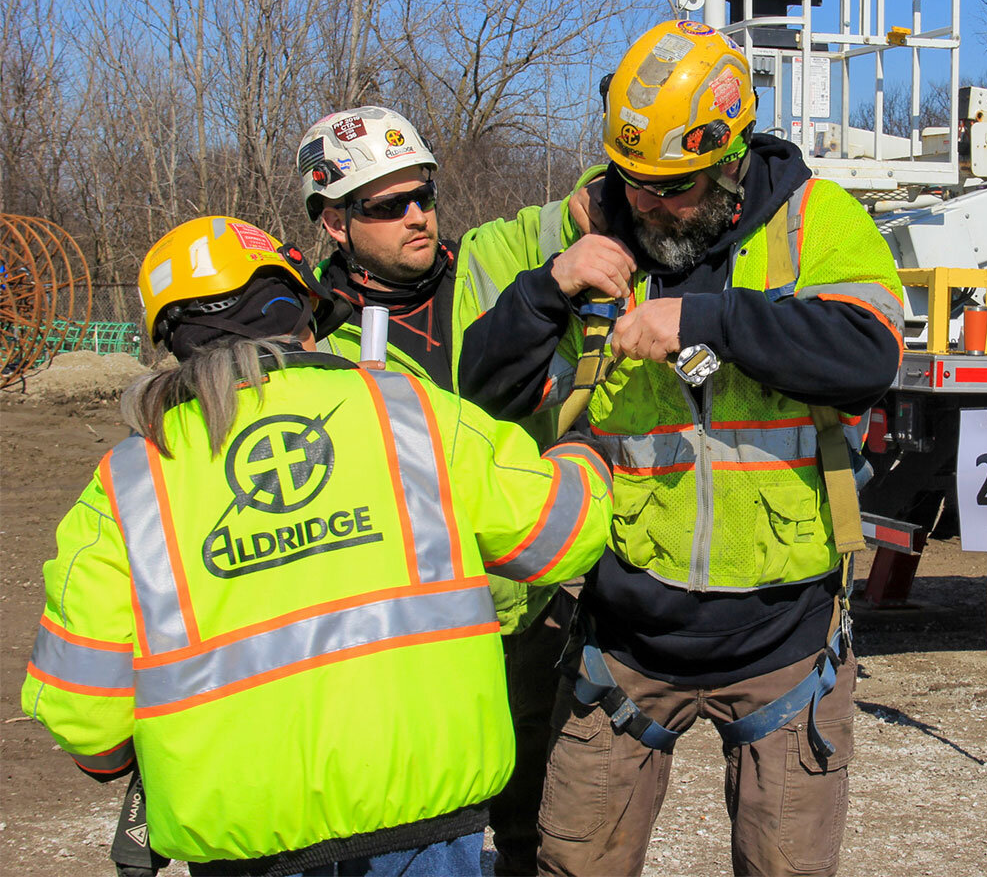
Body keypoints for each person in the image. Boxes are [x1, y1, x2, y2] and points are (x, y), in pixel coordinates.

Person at [19, 216, 613, 876]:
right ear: (303, 312)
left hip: (241, 846)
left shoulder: (125, 484)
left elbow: (87, 723)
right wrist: (582, 452)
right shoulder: (411, 413)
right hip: (425, 828)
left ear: (172, 342)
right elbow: (562, 534)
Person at [458, 20, 904, 877]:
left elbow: (868, 353)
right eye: (638, 183)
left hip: (786, 640)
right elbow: (481, 396)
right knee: (573, 864)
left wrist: (705, 320)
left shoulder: (817, 221)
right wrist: (548, 289)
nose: (653, 205)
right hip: (623, 639)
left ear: (732, 156)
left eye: (677, 186)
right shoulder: (585, 226)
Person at [296, 105, 597, 874]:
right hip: (405, 647)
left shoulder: (497, 259)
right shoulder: (307, 336)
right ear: (333, 222)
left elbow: (596, 202)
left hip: (525, 610)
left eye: (422, 194)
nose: (417, 217)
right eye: (387, 206)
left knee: (532, 824)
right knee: (426, 839)